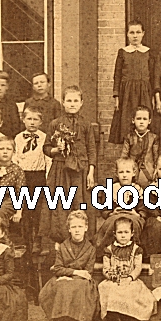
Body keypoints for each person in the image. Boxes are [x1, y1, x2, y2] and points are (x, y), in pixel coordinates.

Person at [42, 86, 97, 245]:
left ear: (81, 103)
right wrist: (56, 149)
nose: (72, 104)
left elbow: (91, 149)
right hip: (61, 169)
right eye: (69, 100)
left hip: (81, 170)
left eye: (75, 101)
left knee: (81, 202)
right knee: (61, 202)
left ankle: (82, 241)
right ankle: (61, 241)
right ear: (63, 103)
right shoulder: (55, 124)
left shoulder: (86, 125)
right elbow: (46, 147)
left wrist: (91, 172)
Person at [39, 210, 99, 321]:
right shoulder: (63, 247)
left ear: (86, 228)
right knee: (61, 285)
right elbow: (57, 268)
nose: (77, 230)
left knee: (79, 286)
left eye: (80, 227)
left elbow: (88, 272)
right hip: (63, 277)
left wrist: (72, 276)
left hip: (82, 280)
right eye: (74, 227)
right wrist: (73, 272)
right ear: (69, 229)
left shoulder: (90, 249)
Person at [98, 217, 156, 321]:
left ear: (132, 233)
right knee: (107, 288)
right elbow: (105, 268)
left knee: (133, 290)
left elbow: (138, 267)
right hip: (114, 279)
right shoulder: (109, 250)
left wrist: (130, 278)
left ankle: (120, 320)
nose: (123, 235)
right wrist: (112, 277)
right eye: (120, 232)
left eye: (126, 232)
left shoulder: (136, 250)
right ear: (114, 234)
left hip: (130, 279)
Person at [14, 105, 52, 255]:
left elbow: (48, 160)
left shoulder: (44, 138)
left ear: (41, 122)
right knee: (24, 210)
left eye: (35, 119)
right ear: (23, 120)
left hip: (39, 177)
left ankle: (38, 239)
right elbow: (15, 158)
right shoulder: (18, 138)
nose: (32, 122)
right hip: (23, 176)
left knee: (37, 210)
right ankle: (26, 241)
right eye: (29, 119)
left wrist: (48, 179)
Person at [109, 20, 154, 145]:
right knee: (126, 122)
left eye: (138, 32)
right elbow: (117, 76)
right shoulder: (123, 52)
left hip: (144, 92)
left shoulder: (148, 52)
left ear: (143, 33)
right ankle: (128, 150)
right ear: (127, 34)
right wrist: (117, 97)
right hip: (127, 93)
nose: (135, 36)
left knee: (144, 120)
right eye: (132, 32)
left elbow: (152, 76)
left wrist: (153, 96)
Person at [95, 158, 146, 252]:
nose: (124, 175)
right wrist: (111, 213)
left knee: (133, 225)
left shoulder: (138, 189)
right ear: (116, 174)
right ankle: (107, 251)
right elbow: (104, 208)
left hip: (134, 216)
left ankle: (133, 251)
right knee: (112, 224)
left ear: (134, 173)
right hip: (115, 215)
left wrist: (138, 214)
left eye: (128, 172)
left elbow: (143, 208)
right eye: (121, 172)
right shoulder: (112, 189)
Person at [120, 106, 159, 188]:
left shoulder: (154, 138)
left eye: (144, 119)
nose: (141, 122)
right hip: (132, 172)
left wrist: (156, 169)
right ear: (133, 120)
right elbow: (124, 156)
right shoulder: (129, 137)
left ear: (149, 121)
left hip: (149, 171)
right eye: (138, 119)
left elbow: (156, 156)